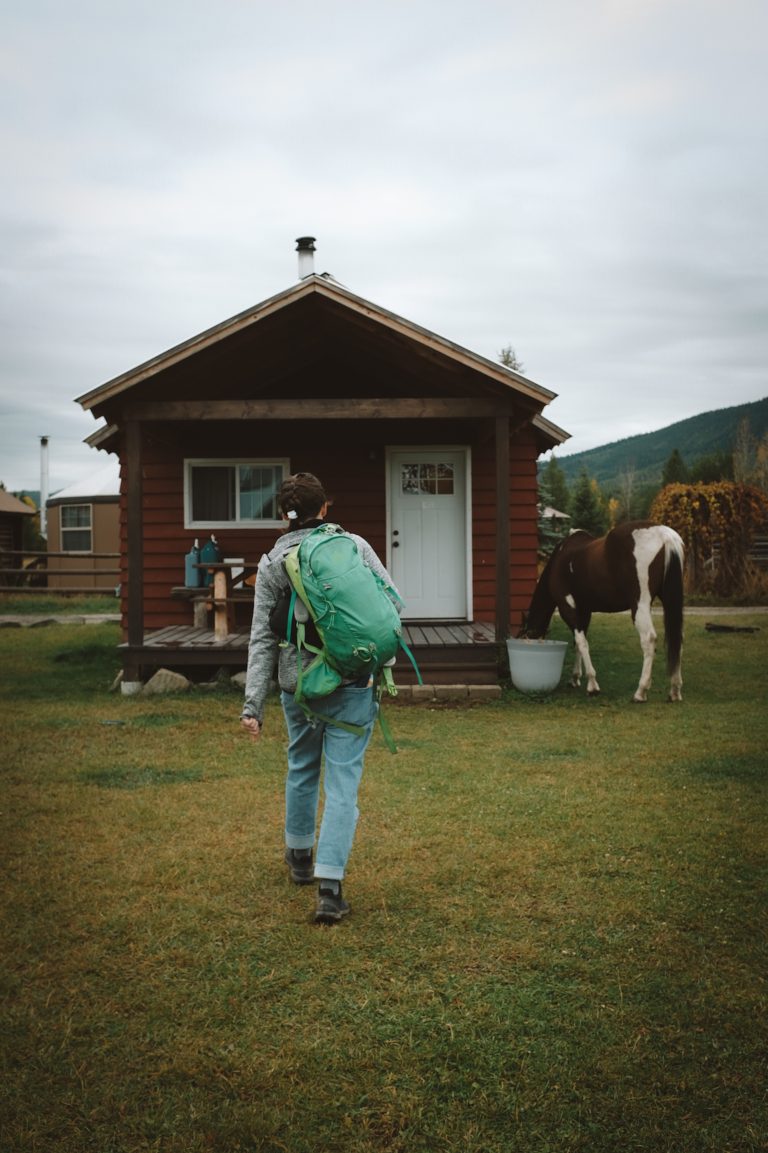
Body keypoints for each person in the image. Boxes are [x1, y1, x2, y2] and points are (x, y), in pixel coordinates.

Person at [240, 472, 401, 924]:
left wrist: (253, 703)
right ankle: (330, 889)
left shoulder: (272, 562)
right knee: (343, 782)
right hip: (352, 682)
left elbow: (260, 640)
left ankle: (299, 857)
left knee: (302, 765)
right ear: (324, 508)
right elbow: (391, 603)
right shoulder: (353, 546)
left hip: (299, 689)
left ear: (281, 515)